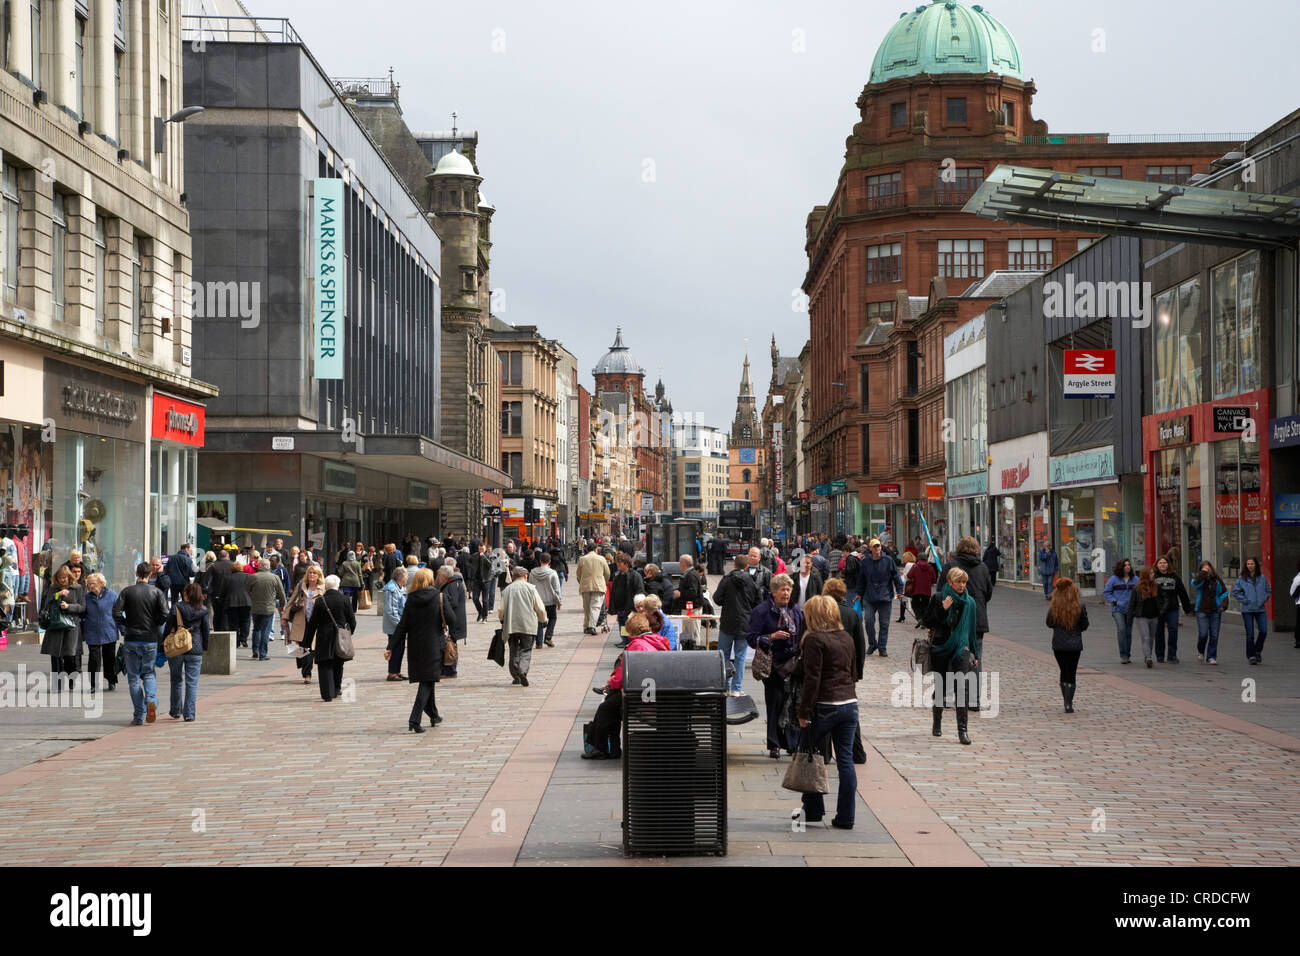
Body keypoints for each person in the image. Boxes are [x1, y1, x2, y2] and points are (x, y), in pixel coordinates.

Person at [794, 595, 861, 830]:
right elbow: (853, 672)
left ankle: (813, 810)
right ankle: (846, 817)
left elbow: (813, 679)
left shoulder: (814, 639)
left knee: (809, 752)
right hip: (849, 703)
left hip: (825, 705)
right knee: (845, 760)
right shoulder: (846, 637)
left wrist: (804, 711)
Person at [582, 613, 668, 759]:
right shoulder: (657, 642)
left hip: (640, 695)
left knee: (606, 708)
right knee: (612, 704)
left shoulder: (637, 645)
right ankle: (612, 748)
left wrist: (611, 683)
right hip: (654, 692)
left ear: (632, 630)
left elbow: (624, 673)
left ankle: (600, 747)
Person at [747, 573, 805, 759]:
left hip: (792, 664)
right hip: (772, 665)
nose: (786, 593)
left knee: (791, 704)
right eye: (783, 589)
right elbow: (751, 638)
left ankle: (791, 743)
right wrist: (771, 637)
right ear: (773, 592)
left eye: (789, 589)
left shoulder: (796, 610)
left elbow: (803, 632)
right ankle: (774, 744)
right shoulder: (761, 611)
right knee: (775, 703)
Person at [923, 567, 978, 745]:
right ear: (950, 582)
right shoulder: (939, 598)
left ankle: (963, 730)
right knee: (941, 687)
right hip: (940, 647)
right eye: (958, 582)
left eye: (964, 582)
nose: (962, 585)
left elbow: (971, 630)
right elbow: (927, 622)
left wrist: (974, 653)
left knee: (962, 687)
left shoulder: (969, 603)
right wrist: (942, 609)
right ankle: (937, 721)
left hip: (961, 648)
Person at [388, 567, 446, 732]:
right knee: (427, 681)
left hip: (415, 647)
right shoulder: (438, 596)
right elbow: (450, 617)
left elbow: (402, 625)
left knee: (428, 678)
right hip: (434, 645)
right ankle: (414, 719)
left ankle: (433, 714)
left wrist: (390, 647)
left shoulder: (411, 599)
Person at [114, 561, 169, 724]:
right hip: (150, 638)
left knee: (133, 678)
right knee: (149, 673)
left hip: (131, 638)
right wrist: (156, 623)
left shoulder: (127, 591)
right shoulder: (156, 592)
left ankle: (139, 715)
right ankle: (150, 699)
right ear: (150, 574)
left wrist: (125, 624)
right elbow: (165, 613)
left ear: (136, 574)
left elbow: (116, 612)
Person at [301, 574, 356, 702]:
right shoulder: (345, 600)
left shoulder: (321, 601)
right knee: (338, 662)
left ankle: (327, 694)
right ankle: (337, 689)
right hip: (339, 636)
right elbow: (352, 621)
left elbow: (313, 623)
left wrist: (307, 641)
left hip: (324, 637)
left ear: (326, 586)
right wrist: (348, 633)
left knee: (325, 664)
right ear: (338, 585)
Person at [713, 554, 762, 696]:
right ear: (746, 566)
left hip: (727, 623)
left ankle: (725, 687)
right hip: (744, 624)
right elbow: (758, 601)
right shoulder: (751, 581)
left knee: (724, 656)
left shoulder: (726, 580)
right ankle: (736, 688)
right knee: (740, 657)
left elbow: (716, 599)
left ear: (734, 565)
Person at [162, 582, 211, 721]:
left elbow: (168, 627)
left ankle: (176, 710)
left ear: (185, 594)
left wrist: (162, 645)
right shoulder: (203, 610)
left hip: (177, 647)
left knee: (176, 679)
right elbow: (206, 631)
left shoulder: (177, 607)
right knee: (192, 682)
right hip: (195, 648)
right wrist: (204, 647)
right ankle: (189, 714)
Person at [1046, 578, 1089, 713]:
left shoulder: (1055, 606)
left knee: (1063, 671)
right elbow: (1085, 624)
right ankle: (1069, 703)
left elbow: (1049, 623)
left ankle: (1066, 700)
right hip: (1075, 644)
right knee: (1072, 672)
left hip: (1059, 644)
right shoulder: (1079, 606)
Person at [499, 566, 546, 687]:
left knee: (514, 650)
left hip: (511, 625)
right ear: (525, 576)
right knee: (526, 650)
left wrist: (502, 619)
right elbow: (539, 607)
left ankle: (516, 676)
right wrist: (543, 619)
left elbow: (501, 609)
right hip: (528, 625)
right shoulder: (531, 588)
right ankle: (523, 670)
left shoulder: (507, 590)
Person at [856, 538, 904, 658]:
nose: (877, 548)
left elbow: (896, 576)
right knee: (868, 621)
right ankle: (872, 644)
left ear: (881, 548)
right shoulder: (865, 562)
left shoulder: (888, 560)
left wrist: (899, 591)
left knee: (884, 624)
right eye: (875, 546)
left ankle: (882, 647)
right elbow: (861, 579)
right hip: (869, 596)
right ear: (870, 549)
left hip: (885, 597)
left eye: (879, 546)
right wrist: (859, 593)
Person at [40, 565, 85, 685]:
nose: (62, 580)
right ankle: (57, 684)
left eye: (64, 577)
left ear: (69, 577)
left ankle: (71, 680)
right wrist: (58, 595)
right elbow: (47, 604)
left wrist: (69, 606)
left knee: (70, 655)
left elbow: (82, 607)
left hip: (71, 626)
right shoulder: (53, 588)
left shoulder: (77, 588)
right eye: (60, 578)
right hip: (55, 625)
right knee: (55, 656)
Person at [284, 563, 325, 684]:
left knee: (310, 649)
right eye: (310, 572)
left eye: (314, 573)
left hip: (316, 624)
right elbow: (291, 602)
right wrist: (285, 617)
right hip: (301, 621)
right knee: (301, 648)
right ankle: (305, 668)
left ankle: (307, 674)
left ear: (319, 576)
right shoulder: (301, 586)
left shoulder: (323, 588)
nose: (312, 575)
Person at [81, 573, 121, 693]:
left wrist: (124, 630)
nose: (91, 586)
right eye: (89, 584)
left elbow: (118, 613)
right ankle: (93, 684)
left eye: (93, 584)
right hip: (92, 631)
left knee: (109, 658)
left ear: (101, 583)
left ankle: (111, 680)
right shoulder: (86, 597)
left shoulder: (112, 595)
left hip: (109, 631)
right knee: (94, 659)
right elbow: (82, 614)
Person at [245, 558, 287, 661]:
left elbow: (245, 590)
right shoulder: (275, 577)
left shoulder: (253, 577)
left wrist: (251, 600)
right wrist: (282, 605)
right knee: (265, 631)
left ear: (259, 566)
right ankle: (262, 654)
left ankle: (255, 651)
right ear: (268, 566)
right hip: (269, 608)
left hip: (255, 607)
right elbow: (281, 594)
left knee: (256, 629)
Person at [1153, 555, 1192, 663]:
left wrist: (1187, 608)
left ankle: (1172, 655)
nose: (1162, 565)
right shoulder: (1153, 576)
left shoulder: (1174, 577)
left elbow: (1182, 592)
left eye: (1164, 563)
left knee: (1173, 631)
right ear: (1156, 565)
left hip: (1172, 608)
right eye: (1160, 563)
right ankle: (1160, 655)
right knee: (1158, 632)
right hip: (1158, 609)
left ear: (1168, 564)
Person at [1231, 557, 1270, 665]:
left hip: (1260, 609)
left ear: (1256, 565)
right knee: (1250, 634)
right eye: (1248, 564)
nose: (1250, 565)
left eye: (1252, 563)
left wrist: (1262, 600)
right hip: (1247, 609)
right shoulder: (1241, 578)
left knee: (1263, 631)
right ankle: (1251, 656)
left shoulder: (1262, 578)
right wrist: (1245, 600)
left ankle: (1257, 651)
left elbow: (1268, 591)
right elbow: (1235, 592)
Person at [1190, 560, 1229, 665]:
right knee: (1203, 634)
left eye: (1208, 568)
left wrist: (1222, 605)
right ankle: (1201, 651)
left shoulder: (1217, 580)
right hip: (1202, 610)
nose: (1207, 570)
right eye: (1204, 568)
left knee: (1214, 635)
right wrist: (1203, 574)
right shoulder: (1199, 579)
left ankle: (1211, 656)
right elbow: (1195, 584)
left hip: (1215, 610)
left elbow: (1224, 593)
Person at [1103, 558, 1138, 664]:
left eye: (1128, 565)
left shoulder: (1136, 579)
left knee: (1128, 632)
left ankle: (1127, 654)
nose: (1127, 566)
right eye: (1125, 565)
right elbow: (1107, 593)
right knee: (1121, 629)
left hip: (1131, 610)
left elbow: (1141, 591)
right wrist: (1115, 601)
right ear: (1121, 567)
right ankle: (1123, 655)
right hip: (1118, 609)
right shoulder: (1114, 579)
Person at [1125, 568, 1161, 668]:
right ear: (1145, 575)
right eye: (1151, 573)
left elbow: (1161, 601)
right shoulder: (1137, 588)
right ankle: (1148, 657)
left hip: (1154, 616)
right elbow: (1132, 604)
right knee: (1145, 637)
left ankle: (1147, 655)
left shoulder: (1156, 586)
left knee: (1151, 638)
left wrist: (1161, 612)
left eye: (1153, 573)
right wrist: (1129, 618)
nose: (1153, 575)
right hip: (1141, 617)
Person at [437, 564, 468, 676]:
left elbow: (453, 602)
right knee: (450, 643)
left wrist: (441, 599)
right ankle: (448, 669)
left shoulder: (452, 584)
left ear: (444, 576)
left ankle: (450, 670)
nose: (438, 578)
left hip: (453, 620)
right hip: (453, 619)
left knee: (450, 644)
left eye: (439, 575)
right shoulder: (452, 583)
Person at [380, 566, 409, 682]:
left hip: (400, 624)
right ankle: (392, 672)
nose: (407, 578)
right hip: (394, 626)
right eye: (406, 576)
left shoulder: (401, 587)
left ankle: (396, 671)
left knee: (400, 649)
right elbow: (391, 610)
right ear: (400, 577)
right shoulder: (391, 589)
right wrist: (399, 626)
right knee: (395, 649)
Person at [528, 552, 562, 649]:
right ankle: (548, 637)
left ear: (540, 561)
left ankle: (538, 642)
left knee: (538, 620)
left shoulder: (533, 572)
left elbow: (530, 587)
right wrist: (559, 601)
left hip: (537, 601)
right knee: (553, 618)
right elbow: (557, 589)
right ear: (549, 561)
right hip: (550, 600)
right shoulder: (552, 573)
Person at [610, 552, 644, 645]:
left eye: (619, 563)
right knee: (622, 623)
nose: (617, 565)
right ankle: (625, 640)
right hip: (620, 606)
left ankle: (629, 640)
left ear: (626, 563)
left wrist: (635, 605)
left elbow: (639, 590)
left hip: (629, 606)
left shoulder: (635, 575)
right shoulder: (618, 575)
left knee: (628, 624)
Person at [577, 543, 610, 635]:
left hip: (585, 586)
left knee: (587, 607)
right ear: (596, 550)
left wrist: (582, 581)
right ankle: (592, 626)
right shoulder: (601, 559)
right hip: (598, 586)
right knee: (595, 606)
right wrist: (604, 582)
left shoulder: (582, 559)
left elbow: (578, 574)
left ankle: (587, 626)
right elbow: (607, 573)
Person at [225, 557, 253, 649]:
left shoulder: (228, 577)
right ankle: (243, 638)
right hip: (246, 601)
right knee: (245, 621)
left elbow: (224, 590)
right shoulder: (248, 576)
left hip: (232, 602)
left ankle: (236, 641)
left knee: (233, 623)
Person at [906, 549, 938, 627]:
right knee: (925, 606)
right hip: (927, 590)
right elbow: (934, 579)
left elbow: (909, 575)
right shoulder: (930, 567)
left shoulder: (915, 566)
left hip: (916, 590)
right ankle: (923, 621)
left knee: (915, 604)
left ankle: (919, 618)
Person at [896, 551, 916, 623]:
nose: (903, 559)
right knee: (908, 600)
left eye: (904, 558)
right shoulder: (914, 564)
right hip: (912, 584)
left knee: (903, 600)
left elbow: (907, 575)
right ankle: (902, 616)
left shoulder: (908, 564)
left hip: (907, 584)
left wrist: (902, 573)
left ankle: (902, 616)